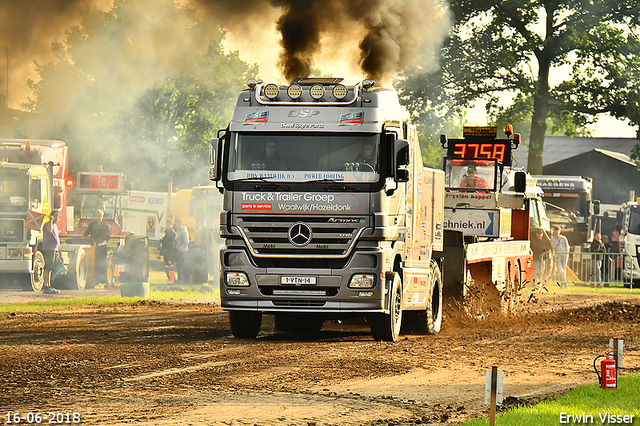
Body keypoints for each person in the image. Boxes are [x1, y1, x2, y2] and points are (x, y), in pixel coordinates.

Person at [84, 209, 111, 285]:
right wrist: (90, 241)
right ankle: (93, 281)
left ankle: (103, 281)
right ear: (96, 216)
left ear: (103, 216)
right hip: (94, 248)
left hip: (102, 248)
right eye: (98, 216)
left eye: (101, 216)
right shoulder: (92, 225)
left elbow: (108, 237)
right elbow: (86, 234)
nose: (99, 217)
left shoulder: (106, 226)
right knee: (94, 264)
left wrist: (103, 243)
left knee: (102, 265)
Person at [42, 210, 61, 294]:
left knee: (51, 268)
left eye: (58, 216)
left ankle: (49, 286)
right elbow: (49, 230)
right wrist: (50, 220)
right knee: (48, 268)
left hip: (54, 249)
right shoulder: (48, 224)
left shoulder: (55, 225)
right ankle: (46, 286)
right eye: (55, 216)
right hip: (48, 249)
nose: (57, 218)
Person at [159, 217, 176, 282]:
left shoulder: (172, 232)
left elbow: (170, 242)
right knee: (166, 265)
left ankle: (172, 279)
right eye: (167, 224)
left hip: (170, 252)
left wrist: (163, 241)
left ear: (171, 224)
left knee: (170, 265)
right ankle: (169, 278)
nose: (168, 225)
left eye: (169, 224)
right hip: (166, 251)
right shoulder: (167, 232)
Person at [173, 217, 190, 283]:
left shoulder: (184, 231)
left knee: (182, 266)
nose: (175, 225)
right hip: (178, 251)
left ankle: (184, 279)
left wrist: (181, 249)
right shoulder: (178, 231)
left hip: (183, 252)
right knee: (178, 266)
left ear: (180, 224)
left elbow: (186, 241)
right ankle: (179, 278)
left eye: (176, 224)